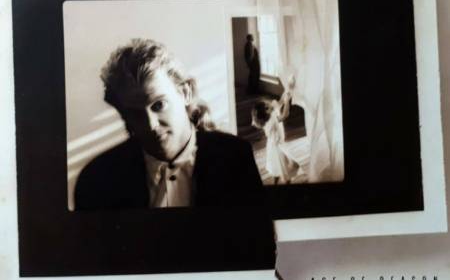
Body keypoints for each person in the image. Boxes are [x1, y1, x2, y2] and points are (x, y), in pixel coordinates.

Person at [74, 39, 266, 210]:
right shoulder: (96, 179)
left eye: (159, 105)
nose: (151, 125)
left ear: (185, 93)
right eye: (135, 114)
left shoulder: (236, 158)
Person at [251, 76, 305, 185]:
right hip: (277, 147)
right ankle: (286, 181)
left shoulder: (270, 115)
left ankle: (276, 181)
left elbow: (279, 102)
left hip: (273, 145)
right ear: (266, 112)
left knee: (277, 167)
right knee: (285, 167)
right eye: (267, 106)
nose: (270, 104)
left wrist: (288, 89)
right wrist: (287, 101)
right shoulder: (271, 120)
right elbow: (285, 114)